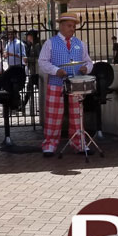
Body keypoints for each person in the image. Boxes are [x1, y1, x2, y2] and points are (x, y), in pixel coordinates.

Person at [38, 12, 94, 157]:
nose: (72, 28)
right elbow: (42, 62)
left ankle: (79, 143)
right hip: (56, 83)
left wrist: (86, 68)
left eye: (74, 26)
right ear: (61, 26)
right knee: (53, 115)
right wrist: (56, 70)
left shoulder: (80, 44)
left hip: (76, 84)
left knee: (77, 115)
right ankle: (49, 145)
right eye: (69, 26)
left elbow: (88, 61)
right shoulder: (50, 43)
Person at [22, 30, 42, 113]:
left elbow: (39, 59)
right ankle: (22, 105)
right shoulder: (31, 45)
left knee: (33, 89)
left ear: (31, 36)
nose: (27, 37)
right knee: (29, 88)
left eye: (28, 35)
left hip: (37, 72)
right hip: (33, 71)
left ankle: (22, 105)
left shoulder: (37, 46)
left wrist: (28, 59)